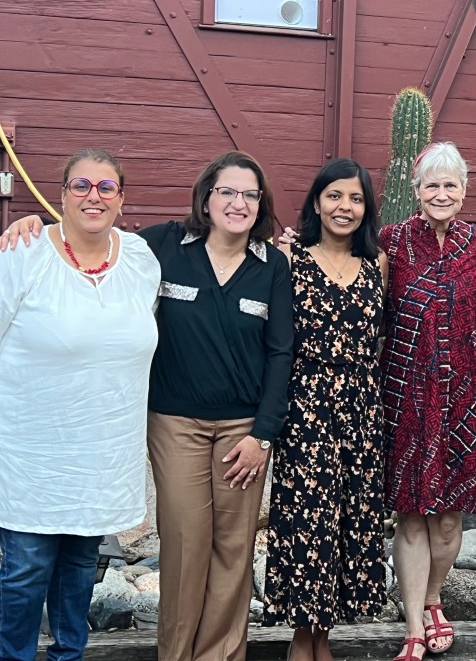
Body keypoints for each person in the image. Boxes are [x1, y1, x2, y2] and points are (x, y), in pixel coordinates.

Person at [0, 150, 293, 661]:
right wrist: (35, 222)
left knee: (234, 549)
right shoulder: (160, 247)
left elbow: (281, 351)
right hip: (172, 422)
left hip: (242, 429)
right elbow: (84, 233)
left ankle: (221, 656)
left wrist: (264, 433)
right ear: (206, 197)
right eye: (226, 191)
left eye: (249, 194)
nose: (237, 202)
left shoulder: (269, 265)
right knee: (182, 544)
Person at [0, 149, 160, 661]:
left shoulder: (139, 259)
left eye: (106, 187)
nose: (94, 196)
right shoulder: (22, 253)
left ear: (120, 199)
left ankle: (70, 655)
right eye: (82, 186)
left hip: (102, 450)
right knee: (24, 570)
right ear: (62, 194)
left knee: (78, 568)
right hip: (30, 452)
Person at [262, 159, 389, 661]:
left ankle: (326, 636)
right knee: (305, 520)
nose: (345, 207)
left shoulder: (377, 264)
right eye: (335, 196)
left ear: (366, 208)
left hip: (360, 410)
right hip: (305, 408)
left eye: (355, 199)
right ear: (317, 202)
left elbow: (380, 342)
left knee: (349, 522)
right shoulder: (290, 259)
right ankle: (302, 639)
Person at [380, 142, 476, 661]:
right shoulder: (392, 241)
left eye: (451, 185)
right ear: (416, 190)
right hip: (406, 392)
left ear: (465, 192)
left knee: (449, 520)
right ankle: (412, 625)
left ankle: (432, 598)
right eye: (432, 184)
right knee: (411, 513)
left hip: (467, 395)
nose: (441, 193)